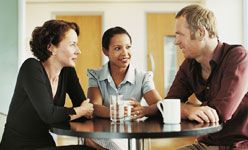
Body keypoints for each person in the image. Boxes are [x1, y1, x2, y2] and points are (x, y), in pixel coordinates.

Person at [0, 20, 94, 150]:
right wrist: (81, 110)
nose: (79, 51)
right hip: (18, 146)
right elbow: (49, 115)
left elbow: (83, 107)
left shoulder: (67, 72)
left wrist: (82, 111)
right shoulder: (31, 67)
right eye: (72, 45)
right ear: (51, 47)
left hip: (45, 144)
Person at [166, 4, 248, 149]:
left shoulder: (238, 57)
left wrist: (183, 108)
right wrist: (189, 110)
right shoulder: (189, 64)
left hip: (238, 146)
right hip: (206, 143)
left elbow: (220, 113)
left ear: (200, 32)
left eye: (180, 34)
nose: (176, 41)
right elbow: (169, 104)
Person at [86, 26, 162, 149]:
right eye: (117, 48)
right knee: (90, 139)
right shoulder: (95, 75)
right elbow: (94, 107)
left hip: (133, 135)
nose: (125, 53)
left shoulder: (143, 77)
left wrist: (143, 110)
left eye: (128, 47)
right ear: (105, 51)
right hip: (102, 135)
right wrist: (113, 112)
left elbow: (159, 105)